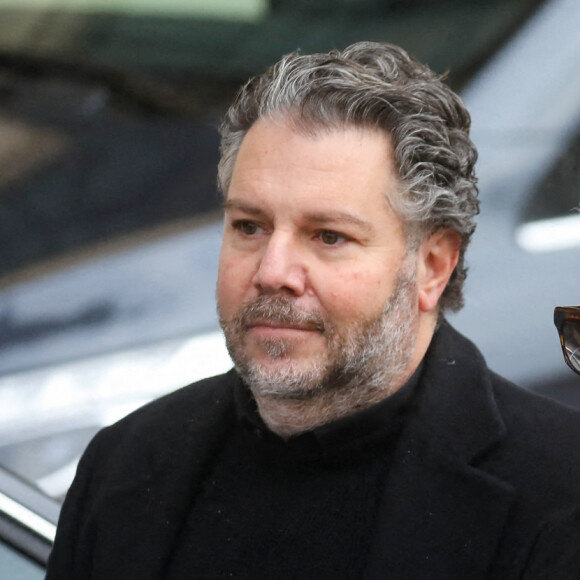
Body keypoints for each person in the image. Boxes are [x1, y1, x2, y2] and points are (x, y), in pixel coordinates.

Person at [46, 42, 580, 579]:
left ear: (433, 266)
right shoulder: (127, 465)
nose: (272, 270)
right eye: (249, 226)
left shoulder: (559, 494)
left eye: (328, 236)